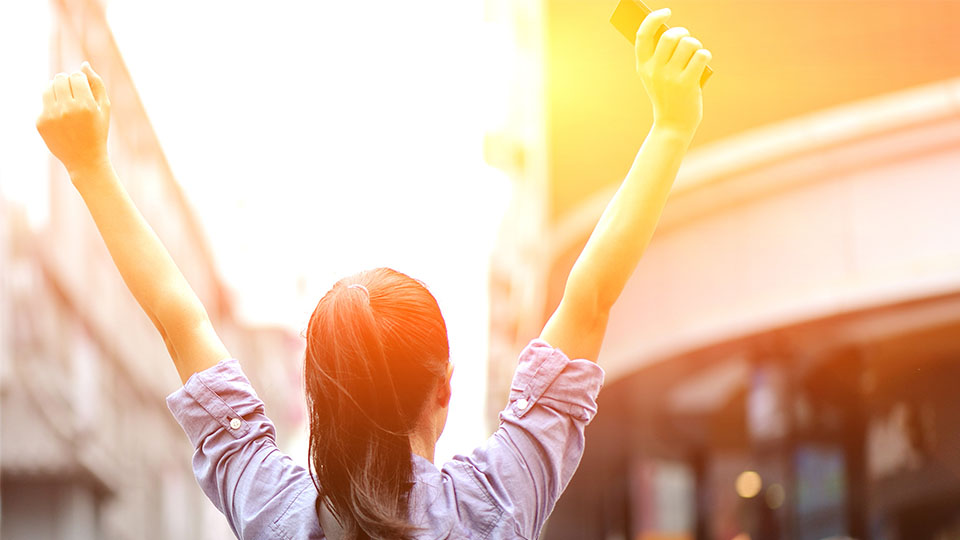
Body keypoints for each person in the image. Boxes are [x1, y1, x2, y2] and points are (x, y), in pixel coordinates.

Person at [35, 8, 710, 540]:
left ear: (316, 401)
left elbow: (179, 319)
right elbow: (588, 300)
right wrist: (671, 126)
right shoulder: (497, 500)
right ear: (445, 388)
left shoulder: (274, 510)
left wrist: (89, 168)